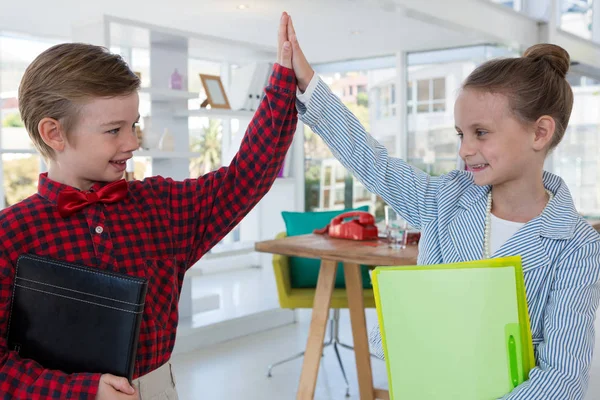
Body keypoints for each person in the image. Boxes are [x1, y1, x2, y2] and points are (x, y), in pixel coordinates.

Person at [284, 15, 600, 400]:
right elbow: (371, 161)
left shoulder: (577, 245)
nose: (465, 149)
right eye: (461, 134)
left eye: (481, 133)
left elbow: (563, 377)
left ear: (540, 132)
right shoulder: (444, 200)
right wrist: (309, 85)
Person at [0, 12, 297, 400]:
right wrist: (82, 391)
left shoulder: (163, 206)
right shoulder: (9, 235)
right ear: (54, 133)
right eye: (114, 130)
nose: (133, 142)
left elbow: (247, 176)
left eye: (134, 125)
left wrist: (284, 83)